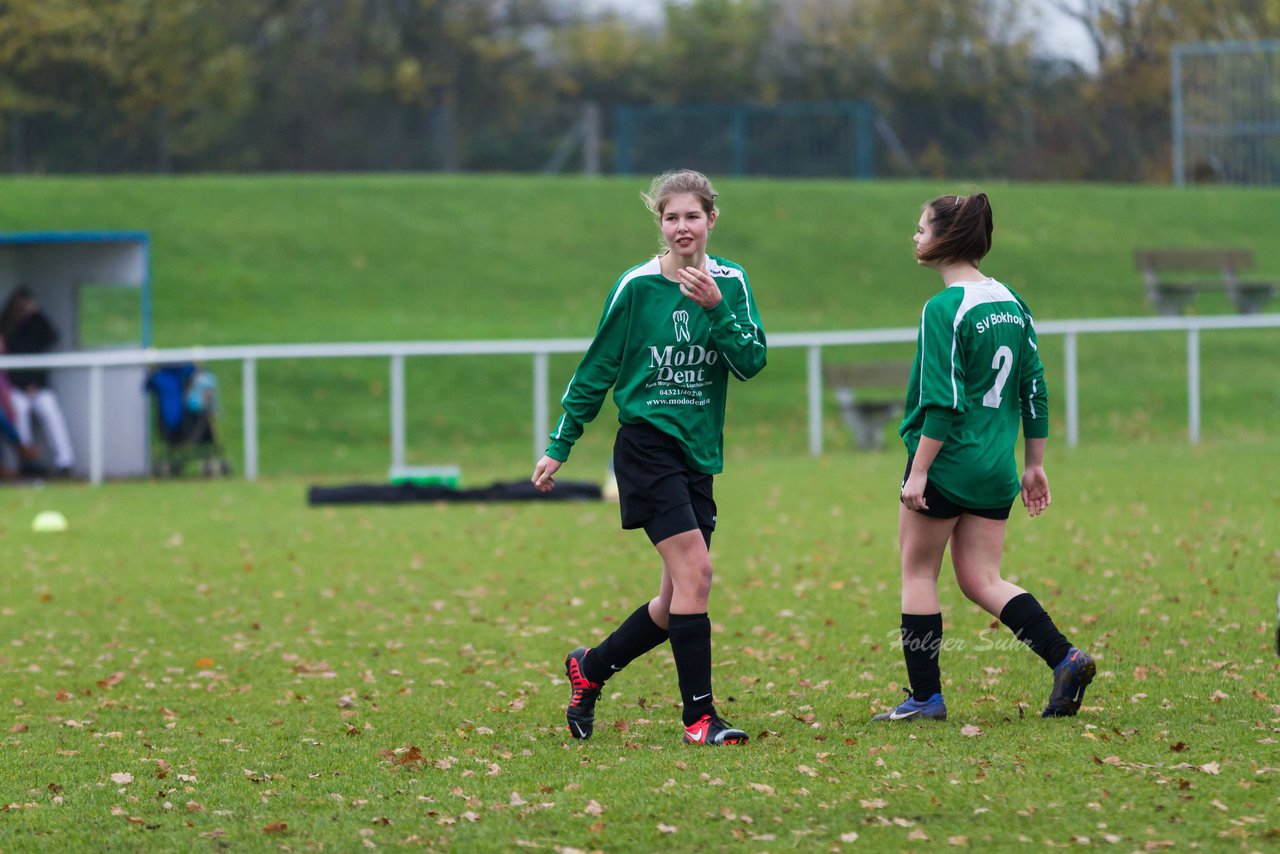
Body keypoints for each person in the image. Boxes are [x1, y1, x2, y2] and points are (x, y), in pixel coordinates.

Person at [531, 170, 767, 746]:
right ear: (658, 224)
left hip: (698, 453)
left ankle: (589, 669)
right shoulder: (635, 287)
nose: (681, 227)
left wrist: (716, 308)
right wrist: (560, 444)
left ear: (712, 219)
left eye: (692, 216)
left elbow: (752, 360)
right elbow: (597, 370)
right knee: (698, 575)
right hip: (644, 448)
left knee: (672, 602)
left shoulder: (731, 283)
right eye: (670, 217)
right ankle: (699, 719)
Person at [873, 192, 1094, 723]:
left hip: (948, 463)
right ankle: (1065, 657)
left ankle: (925, 698)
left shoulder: (944, 308)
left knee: (917, 572)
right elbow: (1033, 384)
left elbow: (943, 401)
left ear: (945, 239)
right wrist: (1034, 462)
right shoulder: (1010, 301)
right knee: (981, 579)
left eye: (921, 228)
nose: (915, 236)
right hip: (996, 465)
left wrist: (920, 470)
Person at [0, 288, 75, 476]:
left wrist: (37, 313)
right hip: (16, 387)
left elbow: (52, 337)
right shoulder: (8, 327)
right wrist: (23, 386)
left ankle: (65, 461)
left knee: (51, 411)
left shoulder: (37, 324)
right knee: (18, 410)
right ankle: (26, 462)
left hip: (39, 387)